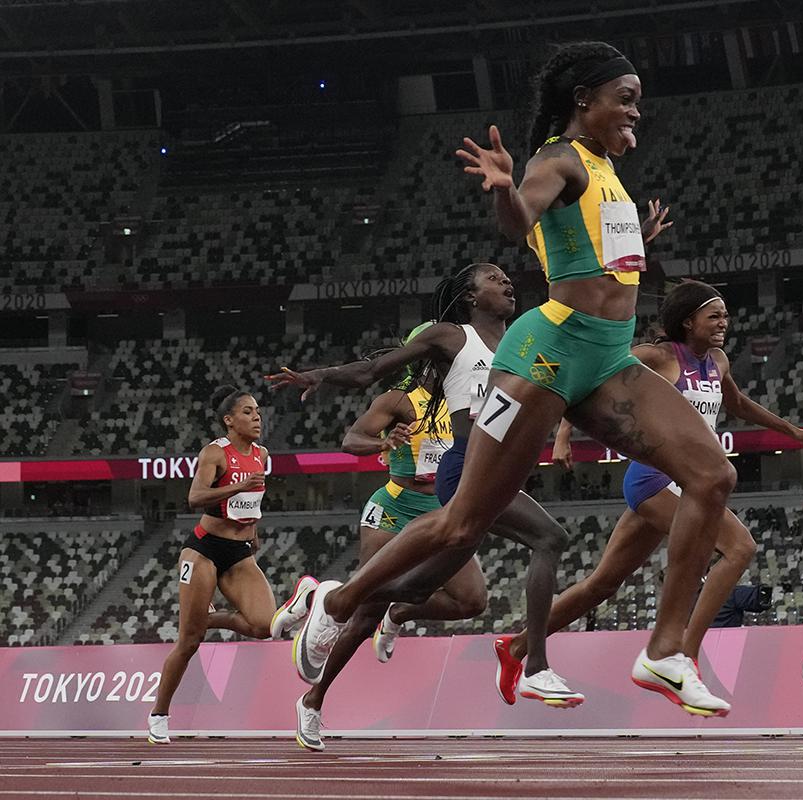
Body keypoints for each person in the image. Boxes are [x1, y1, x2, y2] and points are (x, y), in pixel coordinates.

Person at [277, 41, 737, 717]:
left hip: (607, 357)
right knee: (463, 523)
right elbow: (522, 214)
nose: (637, 111)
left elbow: (598, 255)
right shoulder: (557, 158)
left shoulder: (608, 172)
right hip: (545, 354)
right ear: (585, 101)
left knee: (713, 477)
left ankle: (665, 651)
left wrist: (640, 233)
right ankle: (335, 600)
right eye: (626, 98)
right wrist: (503, 189)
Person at [268, 263, 583, 739]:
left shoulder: (521, 340)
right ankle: (532, 662)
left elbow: (564, 370)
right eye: (493, 279)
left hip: (498, 472)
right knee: (550, 537)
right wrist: (322, 375)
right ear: (471, 297)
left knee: (421, 590)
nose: (506, 283)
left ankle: (327, 598)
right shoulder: (451, 337)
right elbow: (374, 369)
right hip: (463, 471)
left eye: (506, 277)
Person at [501, 280, 803, 679]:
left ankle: (515, 646)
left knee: (602, 584)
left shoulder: (718, 360)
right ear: (688, 321)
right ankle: (683, 655)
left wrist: (789, 430)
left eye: (725, 315)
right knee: (739, 548)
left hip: (689, 482)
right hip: (654, 478)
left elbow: (737, 404)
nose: (725, 322)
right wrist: (564, 433)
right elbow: (592, 374)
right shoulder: (658, 356)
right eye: (714, 315)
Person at [290, 323, 493, 752]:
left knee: (472, 601)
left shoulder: (466, 396)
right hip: (395, 508)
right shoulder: (400, 400)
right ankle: (313, 699)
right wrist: (383, 440)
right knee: (364, 614)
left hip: (443, 511)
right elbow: (351, 439)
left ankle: (397, 615)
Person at [148, 386, 310, 744]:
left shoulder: (262, 454)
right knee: (189, 642)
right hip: (204, 550)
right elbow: (195, 498)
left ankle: (208, 616)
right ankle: (159, 714)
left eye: (258, 412)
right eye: (249, 412)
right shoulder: (214, 453)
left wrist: (255, 530)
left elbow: (253, 498)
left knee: (265, 626)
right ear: (229, 420)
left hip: (240, 553)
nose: (257, 418)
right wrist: (235, 488)